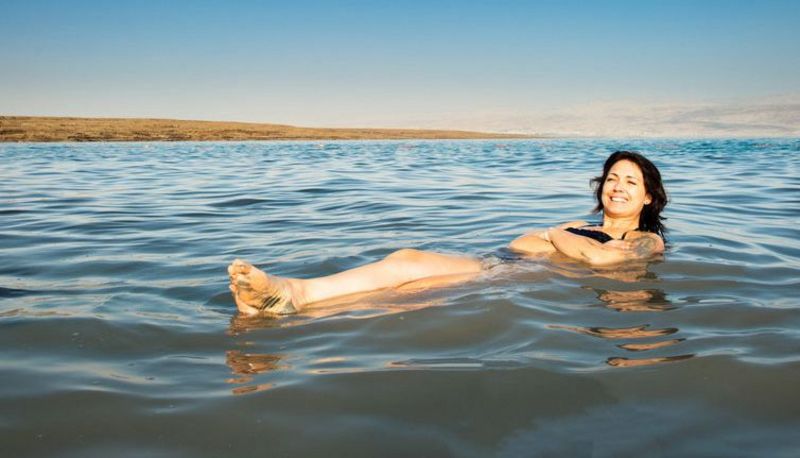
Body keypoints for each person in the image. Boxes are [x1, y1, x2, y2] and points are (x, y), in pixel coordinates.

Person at [228, 150, 667, 316]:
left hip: (520, 281)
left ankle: (292, 296)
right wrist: (561, 242)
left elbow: (601, 260)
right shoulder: (581, 226)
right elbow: (519, 244)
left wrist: (554, 235)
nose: (618, 187)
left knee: (406, 272)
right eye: (612, 178)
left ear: (648, 197)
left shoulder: (646, 240)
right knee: (405, 277)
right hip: (505, 267)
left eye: (630, 182)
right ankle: (285, 302)